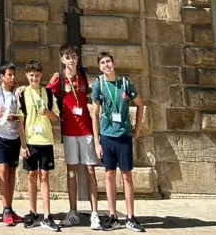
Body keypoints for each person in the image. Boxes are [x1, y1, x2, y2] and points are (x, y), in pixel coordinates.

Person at [91, 52, 146, 232]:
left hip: (123, 135)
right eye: (103, 63)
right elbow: (95, 113)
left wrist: (137, 129)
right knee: (109, 174)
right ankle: (113, 215)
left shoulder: (125, 83)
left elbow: (140, 104)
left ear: (113, 64)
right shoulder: (98, 84)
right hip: (107, 136)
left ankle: (130, 216)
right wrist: (97, 142)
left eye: (108, 61)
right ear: (100, 67)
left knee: (127, 175)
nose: (106, 65)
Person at [48, 44, 101, 229]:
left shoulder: (83, 76)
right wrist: (22, 90)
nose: (71, 59)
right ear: (62, 59)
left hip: (86, 131)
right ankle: (73, 212)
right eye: (68, 57)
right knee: (71, 172)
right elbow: (43, 94)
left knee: (90, 170)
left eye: (74, 56)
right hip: (69, 132)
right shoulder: (59, 78)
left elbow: (89, 95)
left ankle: (95, 213)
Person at [17, 60, 61, 231]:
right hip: (30, 141)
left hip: (46, 141)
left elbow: (56, 117)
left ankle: (47, 215)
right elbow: (20, 122)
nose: (34, 78)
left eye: (37, 75)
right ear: (27, 76)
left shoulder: (48, 94)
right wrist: (22, 145)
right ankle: (33, 212)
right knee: (31, 176)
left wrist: (47, 112)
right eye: (31, 75)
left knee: (44, 176)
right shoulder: (22, 94)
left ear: (41, 75)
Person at [0, 61, 23, 226]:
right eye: (9, 74)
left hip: (14, 136)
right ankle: (5, 209)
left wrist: (15, 117)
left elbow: (22, 116)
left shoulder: (17, 93)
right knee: (2, 170)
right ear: (2, 76)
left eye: (14, 74)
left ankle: (10, 206)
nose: (13, 78)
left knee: (11, 172)